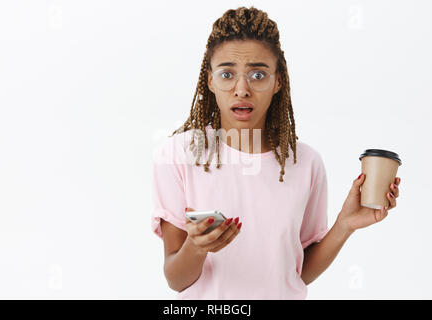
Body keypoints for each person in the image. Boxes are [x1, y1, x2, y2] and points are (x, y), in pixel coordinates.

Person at [151, 6, 401, 299]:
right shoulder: (179, 154)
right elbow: (176, 279)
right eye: (227, 74)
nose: (242, 89)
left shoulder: (306, 163)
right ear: (210, 80)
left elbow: (296, 273)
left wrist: (344, 225)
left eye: (258, 74)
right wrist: (196, 247)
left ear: (277, 81)